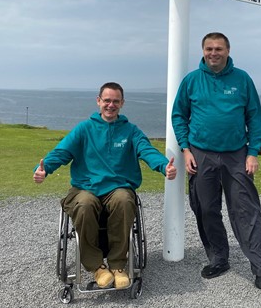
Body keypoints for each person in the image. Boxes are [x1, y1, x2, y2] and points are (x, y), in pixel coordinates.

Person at [171, 32, 261, 301]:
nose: (213, 53)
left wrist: (252, 152)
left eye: (218, 48)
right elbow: (179, 115)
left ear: (228, 50)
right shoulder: (192, 81)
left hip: (236, 154)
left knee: (245, 211)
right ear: (203, 50)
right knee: (205, 208)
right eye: (209, 48)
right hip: (201, 154)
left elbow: (254, 117)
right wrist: (185, 149)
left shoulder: (242, 79)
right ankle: (219, 257)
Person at [33, 82, 176, 290]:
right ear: (98, 101)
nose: (111, 105)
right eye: (106, 100)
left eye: (115, 101)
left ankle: (118, 265)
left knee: (125, 199)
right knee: (84, 204)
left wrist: (164, 166)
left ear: (122, 103)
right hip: (85, 188)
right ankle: (96, 266)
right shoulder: (84, 129)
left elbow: (147, 150)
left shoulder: (131, 131)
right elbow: (62, 152)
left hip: (118, 187)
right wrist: (44, 170)